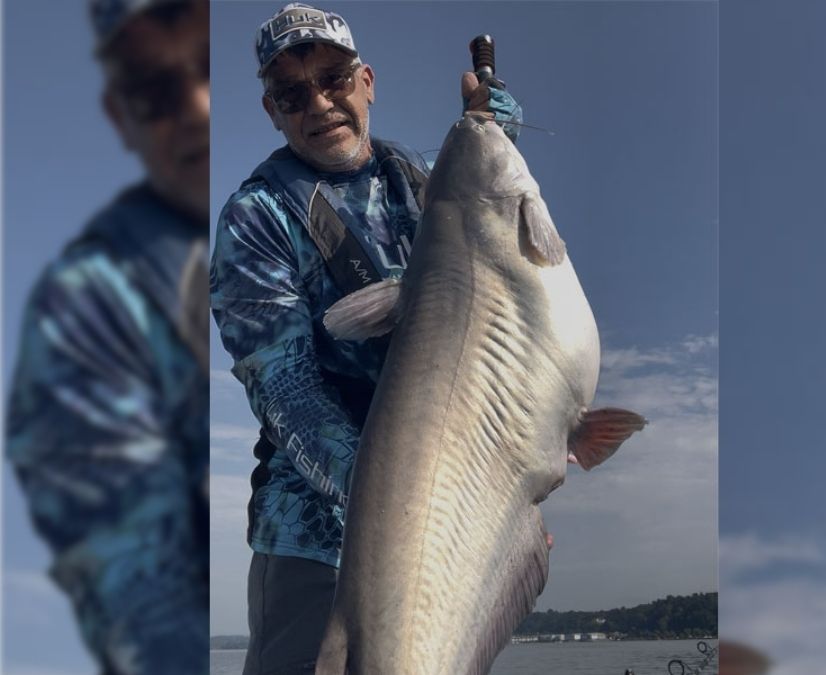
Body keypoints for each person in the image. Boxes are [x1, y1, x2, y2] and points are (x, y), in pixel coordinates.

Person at [210, 4, 523, 674]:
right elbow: (285, 386)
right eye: (293, 93)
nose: (319, 103)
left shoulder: (416, 181)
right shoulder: (255, 217)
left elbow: (482, 198)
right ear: (271, 110)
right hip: (315, 546)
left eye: (334, 77)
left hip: (450, 532)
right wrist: (409, 507)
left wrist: (497, 136)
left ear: (367, 80)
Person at [6, 1, 210, 673]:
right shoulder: (85, 306)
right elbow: (142, 601)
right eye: (155, 91)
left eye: (210, 63)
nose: (199, 106)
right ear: (118, 117)